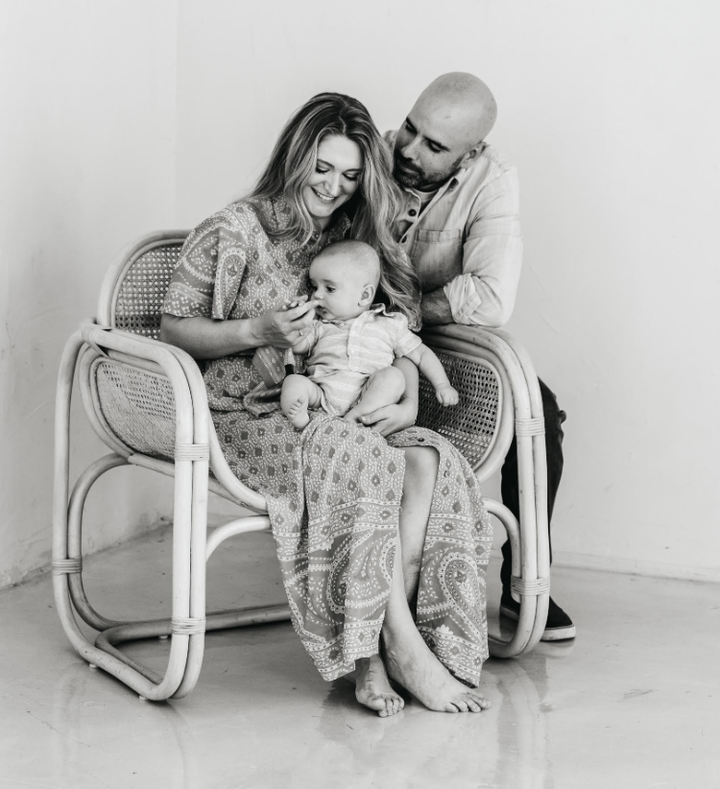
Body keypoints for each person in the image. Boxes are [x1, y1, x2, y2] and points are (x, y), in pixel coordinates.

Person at [160, 92, 494, 716]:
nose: (334, 187)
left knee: (430, 460)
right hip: (251, 411)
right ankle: (388, 653)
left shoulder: (355, 233)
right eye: (322, 168)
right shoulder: (234, 229)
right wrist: (256, 331)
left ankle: (410, 639)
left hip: (345, 406)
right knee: (363, 460)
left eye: (349, 175)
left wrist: (404, 383)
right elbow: (173, 329)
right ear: (295, 155)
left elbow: (400, 325)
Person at [382, 72, 575, 641]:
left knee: (537, 410)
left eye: (434, 147)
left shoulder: (493, 181)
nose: (411, 151)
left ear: (472, 152)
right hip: (351, 333)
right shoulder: (372, 151)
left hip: (433, 338)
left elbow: (490, 298)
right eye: (411, 130)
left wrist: (407, 309)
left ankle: (524, 581)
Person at [281, 239, 459, 430]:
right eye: (315, 287)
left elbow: (421, 354)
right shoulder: (320, 325)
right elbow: (298, 346)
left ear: (364, 296)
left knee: (394, 377)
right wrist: (296, 321)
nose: (317, 295)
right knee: (293, 382)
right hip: (320, 396)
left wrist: (442, 384)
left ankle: (354, 418)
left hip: (366, 398)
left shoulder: (390, 324)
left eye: (329, 288)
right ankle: (303, 421)